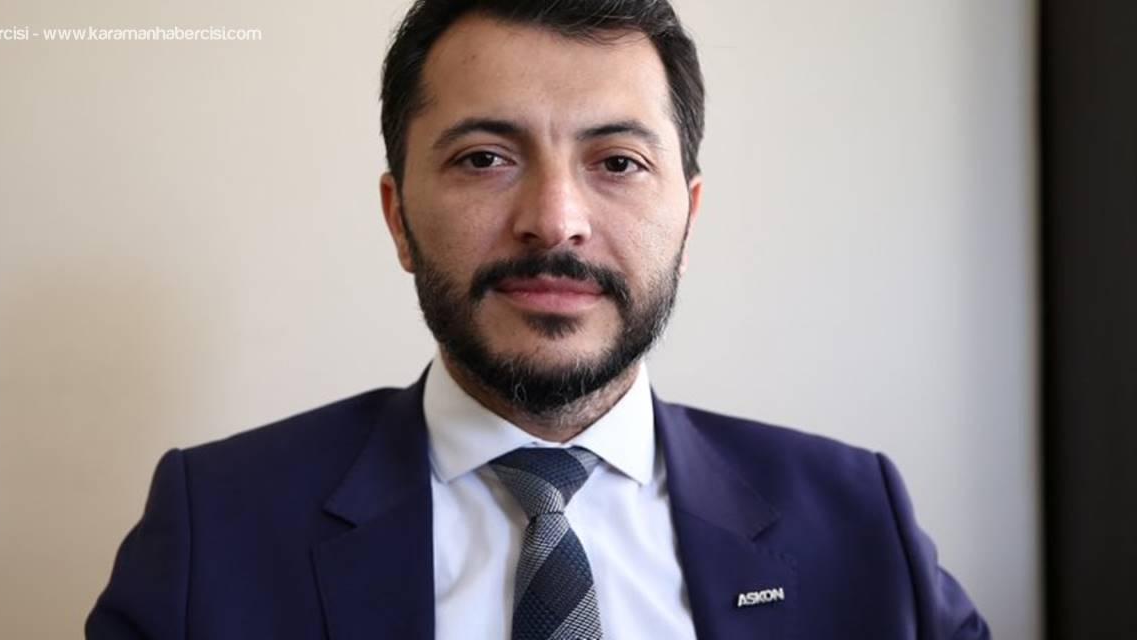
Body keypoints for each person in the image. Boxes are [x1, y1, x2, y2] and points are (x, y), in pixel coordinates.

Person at [86, 1, 990, 638]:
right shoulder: (217, 525)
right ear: (399, 219)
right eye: (485, 158)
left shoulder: (858, 519)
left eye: (618, 162)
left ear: (688, 218)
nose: (554, 221)